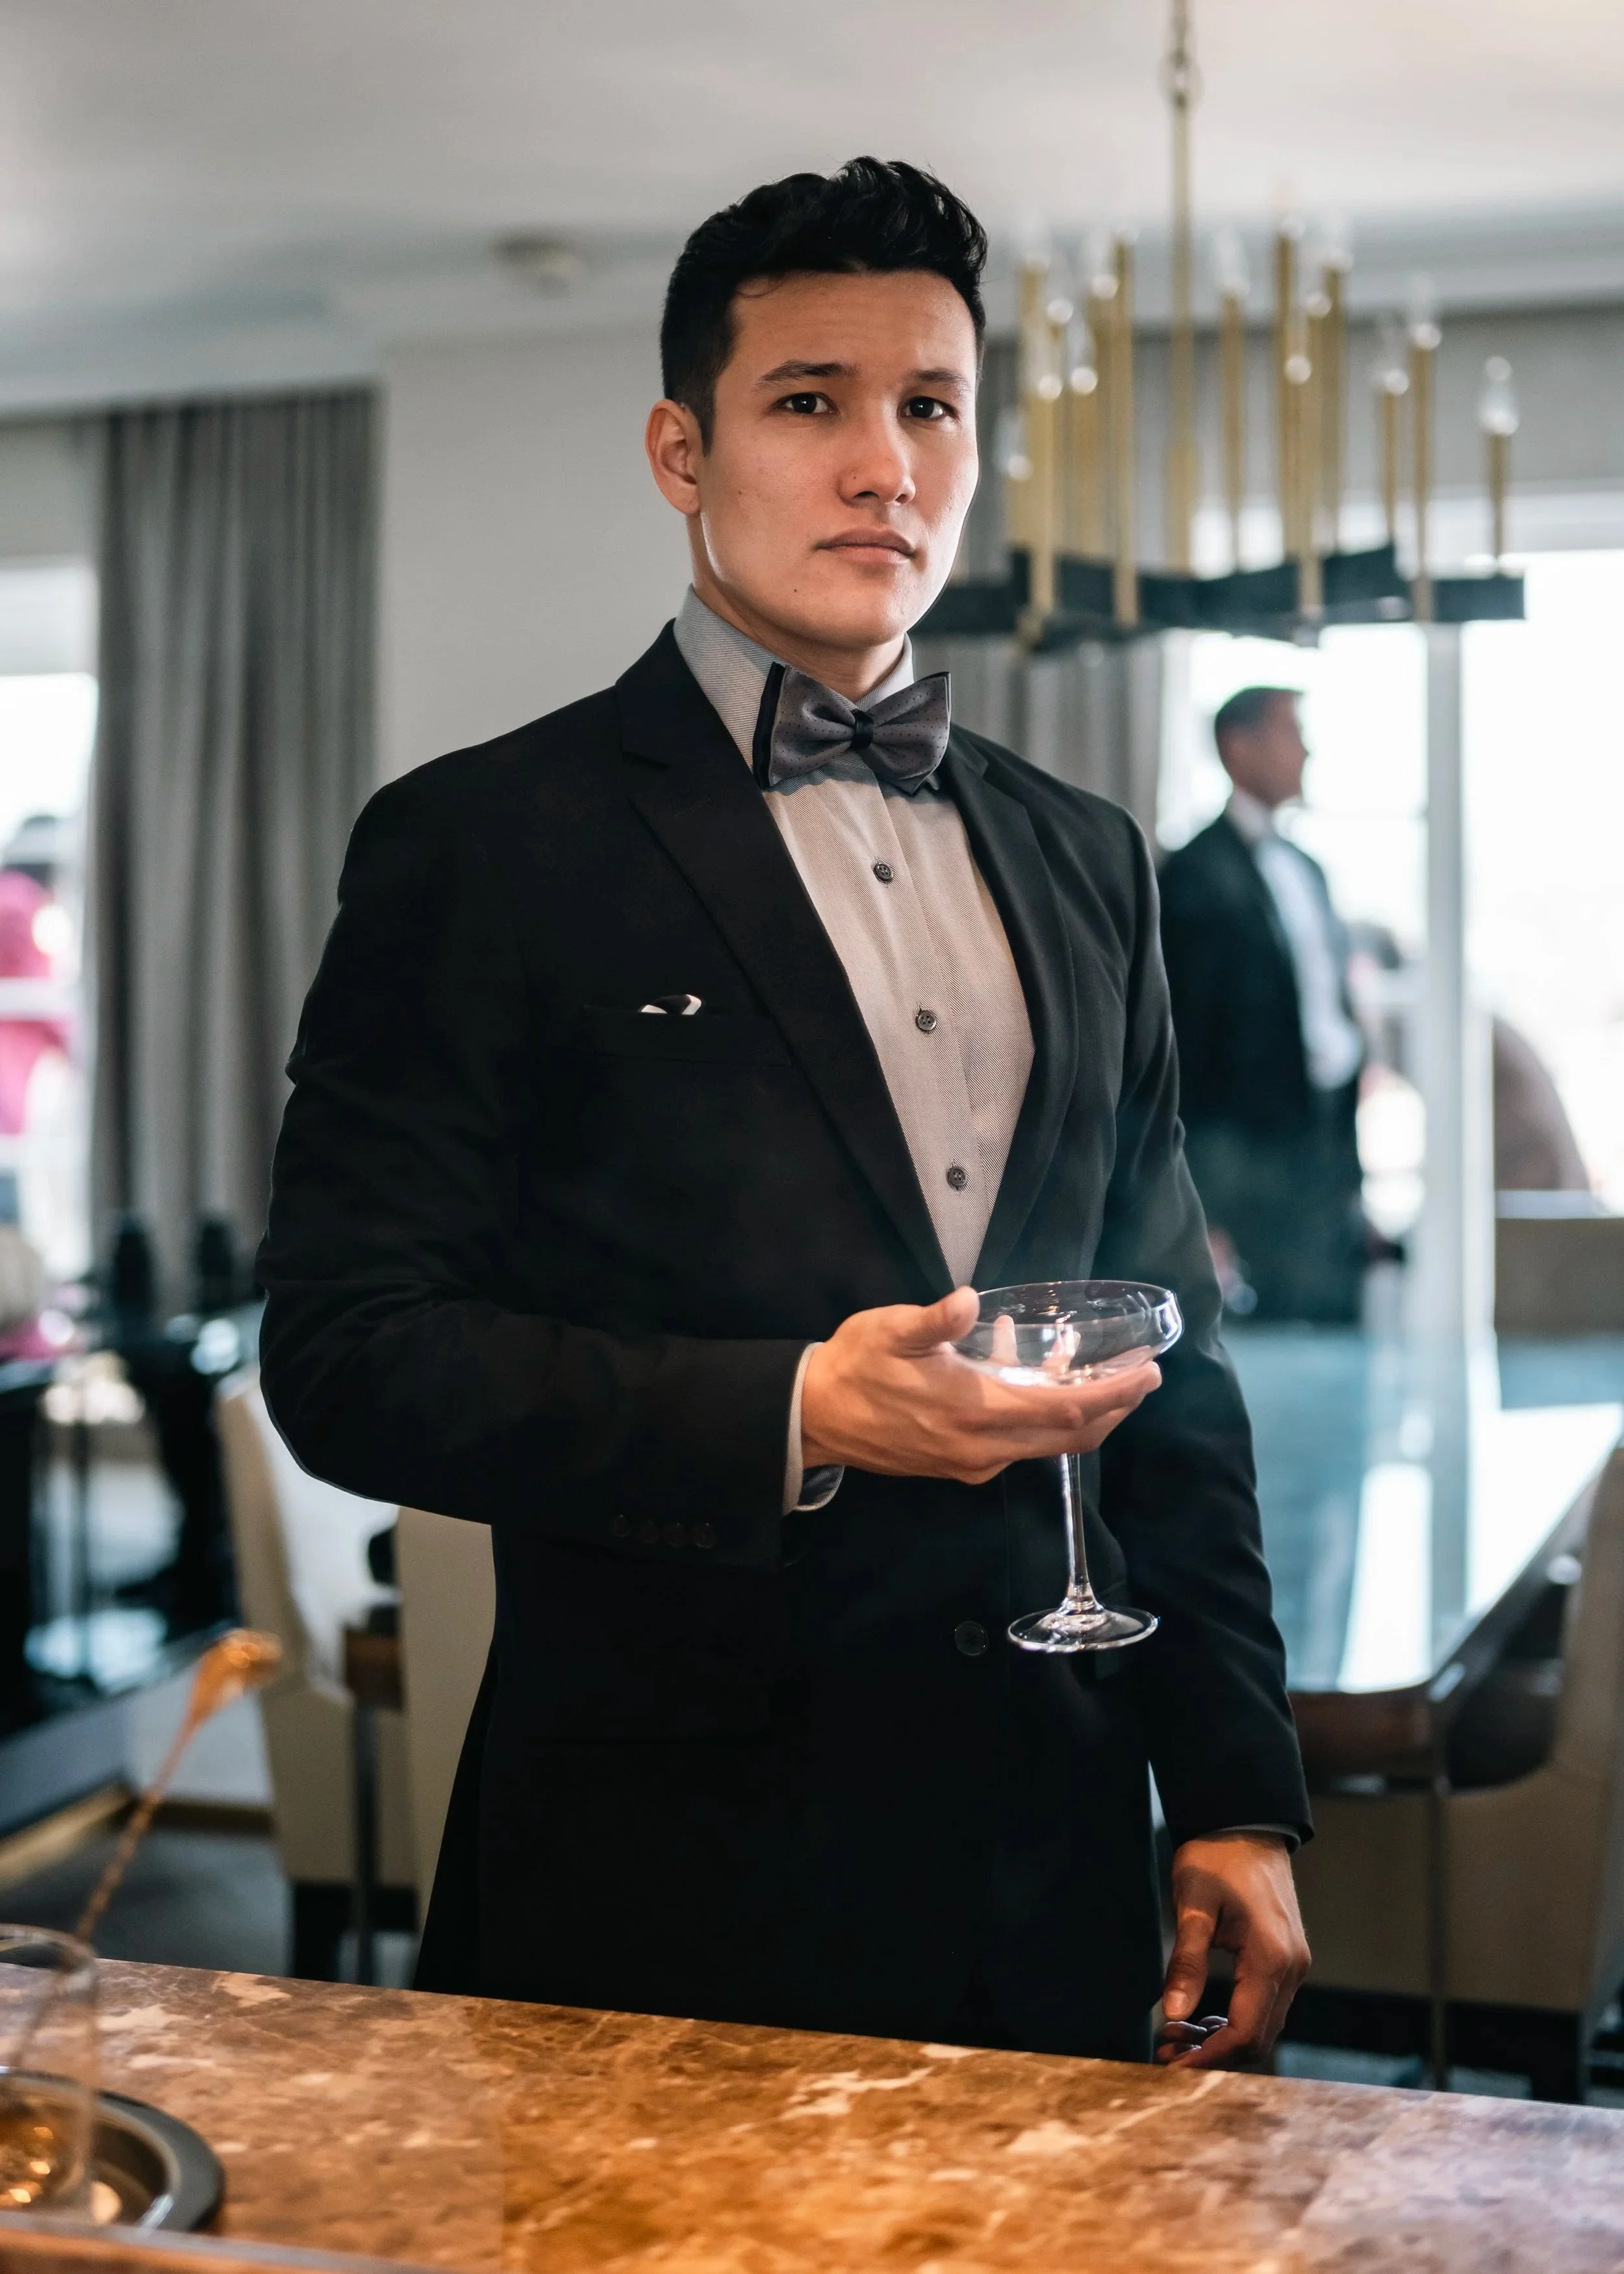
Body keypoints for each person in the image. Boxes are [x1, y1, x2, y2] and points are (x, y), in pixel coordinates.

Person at [258, 160, 1310, 2069]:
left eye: (930, 407)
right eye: (809, 401)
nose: (881, 464)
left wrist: (1235, 1785)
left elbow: (1175, 1355)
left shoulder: (1088, 855)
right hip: (664, 1876)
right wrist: (797, 1409)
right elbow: (346, 1355)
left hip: (1053, 1867)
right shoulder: (481, 842)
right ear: (683, 449)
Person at [1158, 687, 1367, 1323]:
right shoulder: (1193, 872)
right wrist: (1203, 1202)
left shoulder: (1307, 868)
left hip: (1327, 1139)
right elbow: (1183, 1038)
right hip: (1245, 1153)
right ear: (1237, 747)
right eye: (1289, 732)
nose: (1306, 750)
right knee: (1274, 1330)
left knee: (1338, 1309)